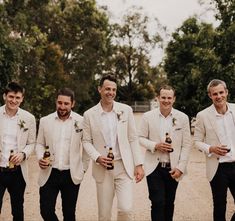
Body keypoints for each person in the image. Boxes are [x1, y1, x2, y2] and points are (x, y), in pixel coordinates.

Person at [82, 74, 144, 221]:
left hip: (123, 166)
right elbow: (86, 141)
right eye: (107, 89)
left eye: (114, 89)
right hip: (102, 169)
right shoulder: (89, 115)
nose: (111, 92)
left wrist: (139, 164)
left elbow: (133, 138)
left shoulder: (126, 110)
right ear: (99, 89)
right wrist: (97, 157)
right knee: (104, 214)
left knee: (126, 208)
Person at [36, 88, 89, 221]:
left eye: (66, 103)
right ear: (56, 102)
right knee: (46, 211)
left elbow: (87, 146)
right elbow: (39, 144)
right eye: (60, 103)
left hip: (71, 174)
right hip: (49, 172)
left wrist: (83, 169)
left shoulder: (82, 121)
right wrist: (40, 157)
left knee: (69, 214)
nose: (62, 106)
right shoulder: (45, 121)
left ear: (73, 104)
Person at [139, 85, 191, 221]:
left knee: (169, 203)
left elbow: (186, 145)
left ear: (174, 99)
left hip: (173, 168)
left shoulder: (183, 118)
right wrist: (154, 145)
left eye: (169, 98)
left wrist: (181, 167)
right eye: (163, 97)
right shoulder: (147, 117)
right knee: (157, 202)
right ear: (157, 98)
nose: (166, 100)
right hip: (153, 167)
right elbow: (140, 138)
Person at [194, 79, 235, 221]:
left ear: (226, 92)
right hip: (218, 168)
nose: (219, 96)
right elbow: (197, 142)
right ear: (210, 96)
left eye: (221, 92)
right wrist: (211, 148)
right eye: (215, 94)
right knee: (220, 207)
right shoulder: (202, 115)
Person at [0, 82, 36, 221]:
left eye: (17, 97)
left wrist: (23, 154)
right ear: (5, 96)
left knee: (17, 209)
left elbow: (31, 142)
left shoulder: (29, 118)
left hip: (18, 172)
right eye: (11, 96)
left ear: (22, 99)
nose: (13, 101)